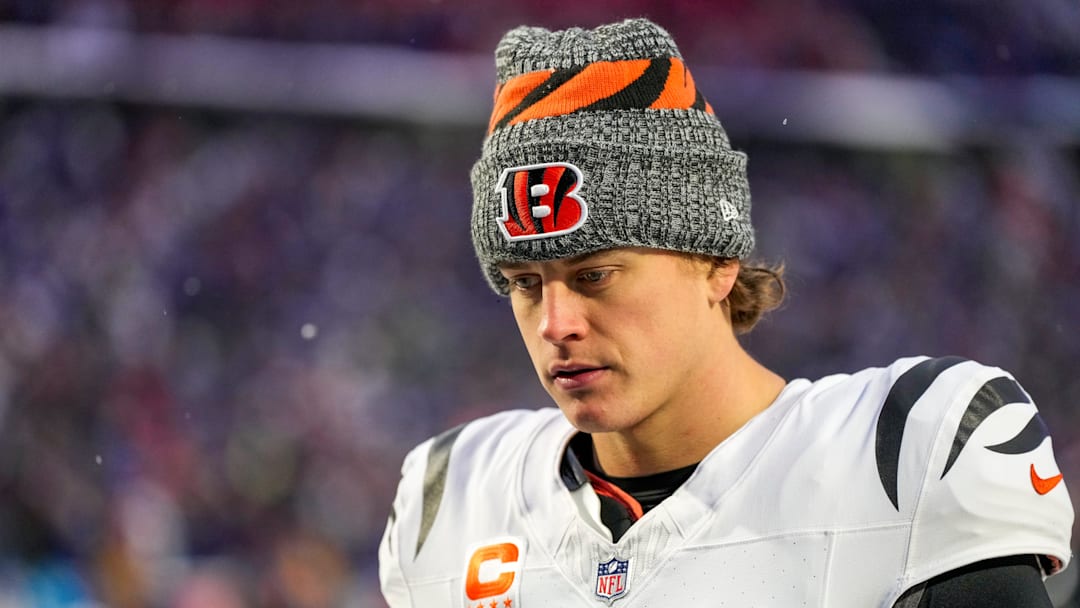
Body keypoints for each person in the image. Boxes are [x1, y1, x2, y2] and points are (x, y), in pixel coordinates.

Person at [378, 18, 1073, 607]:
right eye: (526, 282)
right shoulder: (448, 498)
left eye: (594, 275)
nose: (555, 322)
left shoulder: (909, 450)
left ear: (716, 261)